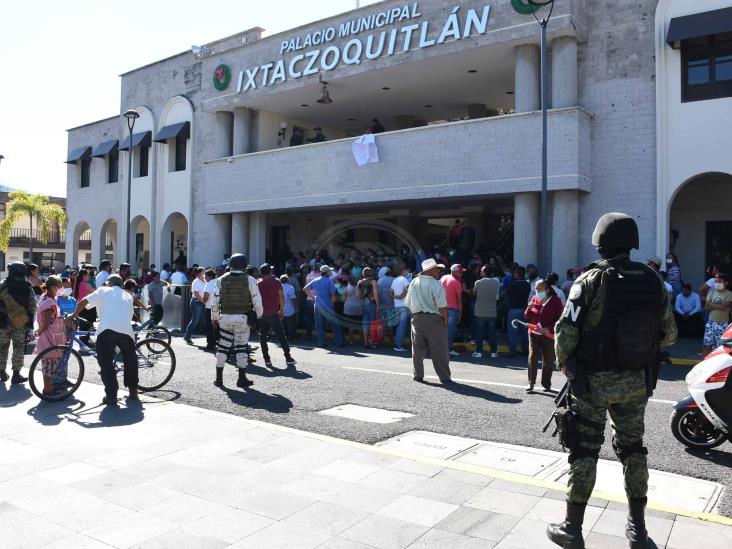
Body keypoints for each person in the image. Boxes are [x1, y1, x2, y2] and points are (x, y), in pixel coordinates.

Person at [547, 212, 677, 549]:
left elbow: (565, 330)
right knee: (634, 450)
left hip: (592, 383)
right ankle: (638, 532)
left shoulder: (589, 281)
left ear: (600, 242)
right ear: (631, 243)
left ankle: (572, 530)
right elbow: (670, 335)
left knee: (584, 450)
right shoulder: (653, 281)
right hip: (636, 383)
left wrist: (569, 367)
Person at [69, 275, 139, 405]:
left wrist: (73, 315)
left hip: (106, 329)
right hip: (126, 330)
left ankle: (111, 396)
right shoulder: (128, 295)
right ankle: (133, 390)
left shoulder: (102, 290)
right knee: (130, 359)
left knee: (106, 362)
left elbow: (84, 301)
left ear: (109, 283)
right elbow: (130, 314)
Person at [210, 253, 263, 388]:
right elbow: (257, 299)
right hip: (242, 318)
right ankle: (241, 379)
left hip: (225, 317)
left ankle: (219, 379)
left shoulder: (221, 279)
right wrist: (259, 315)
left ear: (231, 265)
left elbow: (214, 301)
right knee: (241, 347)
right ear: (244, 265)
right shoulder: (250, 279)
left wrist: (214, 318)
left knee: (223, 347)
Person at [404, 258, 451, 384]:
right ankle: (444, 377)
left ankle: (417, 374)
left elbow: (408, 303)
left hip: (416, 318)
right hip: (433, 319)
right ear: (430, 270)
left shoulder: (413, 282)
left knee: (417, 349)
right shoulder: (435, 284)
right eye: (436, 269)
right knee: (439, 350)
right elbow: (442, 306)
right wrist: (445, 320)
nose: (438, 271)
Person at [524, 279, 563, 393]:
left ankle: (546, 383)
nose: (537, 291)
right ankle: (531, 383)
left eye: (539, 289)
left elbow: (560, 319)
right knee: (532, 357)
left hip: (547, 334)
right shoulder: (535, 298)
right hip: (533, 333)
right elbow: (527, 316)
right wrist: (528, 308)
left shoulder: (555, 300)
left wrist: (548, 328)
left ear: (547, 290)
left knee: (548, 359)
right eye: (536, 289)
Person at [0, 262, 36, 384]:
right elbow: (32, 308)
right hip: (20, 324)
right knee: (19, 348)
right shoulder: (27, 287)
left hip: (2, 323)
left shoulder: (3, 285)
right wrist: (30, 327)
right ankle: (16, 375)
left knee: (2, 348)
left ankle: (1, 373)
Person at [257, 264, 296, 367]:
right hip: (273, 312)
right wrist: (281, 310)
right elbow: (281, 298)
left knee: (263, 337)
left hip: (262, 314)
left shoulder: (258, 284)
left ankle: (267, 359)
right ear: (270, 272)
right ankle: (288, 357)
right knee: (281, 335)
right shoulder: (277, 281)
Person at [34, 276, 67, 397]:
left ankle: (48, 387)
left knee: (47, 365)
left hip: (48, 337)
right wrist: (39, 331)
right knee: (50, 366)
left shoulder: (45, 297)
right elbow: (47, 321)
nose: (61, 289)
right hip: (49, 338)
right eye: (59, 286)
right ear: (53, 287)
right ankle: (48, 389)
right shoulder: (50, 302)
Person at [304, 265, 343, 348]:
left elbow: (305, 289)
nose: (330, 272)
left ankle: (321, 342)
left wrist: (313, 297)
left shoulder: (316, 280)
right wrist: (332, 304)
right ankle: (339, 341)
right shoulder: (329, 281)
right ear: (326, 272)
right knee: (334, 324)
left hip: (317, 305)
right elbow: (333, 295)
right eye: (329, 271)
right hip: (327, 305)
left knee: (319, 325)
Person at [472, 265, 500, 359]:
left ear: (484, 272)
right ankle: (494, 352)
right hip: (492, 311)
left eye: (481, 271)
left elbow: (474, 293)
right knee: (492, 332)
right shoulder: (496, 282)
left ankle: (478, 351)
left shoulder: (478, 282)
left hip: (480, 311)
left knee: (480, 332)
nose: (480, 272)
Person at [702, 273, 731, 356]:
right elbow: (706, 307)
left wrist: (712, 304)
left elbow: (724, 307)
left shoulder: (729, 294)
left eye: (720, 282)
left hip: (722, 324)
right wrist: (718, 306)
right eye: (716, 281)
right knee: (706, 345)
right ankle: (704, 364)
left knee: (720, 347)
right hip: (711, 322)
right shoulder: (711, 293)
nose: (717, 284)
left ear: (726, 283)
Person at [440, 264, 464, 357]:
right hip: (452, 309)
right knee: (449, 330)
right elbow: (459, 300)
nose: (461, 274)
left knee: (442, 330)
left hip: (441, 308)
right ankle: (449, 349)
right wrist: (460, 313)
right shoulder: (457, 282)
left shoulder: (443, 278)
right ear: (454, 272)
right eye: (460, 272)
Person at [506, 266, 530, 357]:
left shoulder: (512, 284)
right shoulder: (527, 284)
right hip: (524, 308)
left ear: (517, 274)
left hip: (514, 309)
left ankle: (512, 350)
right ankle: (525, 350)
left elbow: (507, 295)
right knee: (524, 331)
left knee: (512, 331)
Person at [391, 260, 412, 352]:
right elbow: (408, 290)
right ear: (404, 271)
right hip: (403, 305)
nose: (408, 273)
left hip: (397, 306)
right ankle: (398, 346)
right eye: (407, 271)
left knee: (399, 326)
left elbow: (390, 292)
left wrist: (395, 296)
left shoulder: (395, 280)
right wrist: (400, 296)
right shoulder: (404, 280)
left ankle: (397, 343)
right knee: (402, 326)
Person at [357, 267, 380, 348]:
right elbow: (376, 294)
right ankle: (372, 342)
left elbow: (358, 295)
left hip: (363, 305)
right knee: (372, 324)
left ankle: (365, 342)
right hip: (372, 304)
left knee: (365, 324)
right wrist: (377, 305)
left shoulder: (359, 282)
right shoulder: (373, 281)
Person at [184, 267, 207, 344]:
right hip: (196, 302)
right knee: (195, 320)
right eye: (203, 272)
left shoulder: (204, 281)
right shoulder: (196, 282)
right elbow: (196, 294)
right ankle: (187, 336)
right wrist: (204, 301)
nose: (204, 274)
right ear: (198, 274)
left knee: (205, 319)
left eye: (204, 272)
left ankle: (209, 336)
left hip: (203, 302)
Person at [73, 268, 96, 345]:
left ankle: (83, 341)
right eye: (88, 274)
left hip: (81, 306)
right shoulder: (86, 284)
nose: (89, 276)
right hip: (87, 307)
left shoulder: (80, 283)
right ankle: (84, 342)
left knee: (83, 325)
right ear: (83, 276)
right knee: (86, 325)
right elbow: (95, 292)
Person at [342, 276, 363, 345]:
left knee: (350, 326)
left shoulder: (346, 289)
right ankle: (362, 339)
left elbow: (343, 299)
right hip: (358, 308)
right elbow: (361, 298)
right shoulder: (359, 288)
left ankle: (351, 341)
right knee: (359, 325)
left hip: (349, 308)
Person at [280, 274, 298, 342]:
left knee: (284, 325)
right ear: (287, 280)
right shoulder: (290, 287)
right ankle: (291, 338)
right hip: (290, 309)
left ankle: (285, 338)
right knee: (291, 325)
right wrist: (296, 307)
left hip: (281, 309)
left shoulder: (278, 287)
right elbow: (293, 299)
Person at [203, 269, 217, 351]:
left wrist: (204, 301)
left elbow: (205, 297)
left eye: (206, 276)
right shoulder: (219, 282)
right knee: (217, 326)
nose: (205, 278)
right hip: (218, 307)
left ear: (210, 276)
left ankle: (211, 343)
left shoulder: (208, 284)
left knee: (209, 326)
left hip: (209, 307)